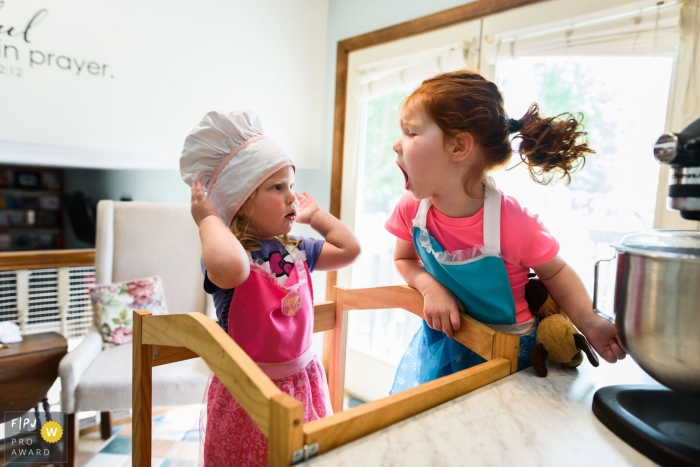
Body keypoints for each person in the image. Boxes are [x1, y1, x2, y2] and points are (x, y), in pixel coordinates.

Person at [386, 71, 626, 393]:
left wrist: (590, 321)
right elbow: (404, 258)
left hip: (509, 355)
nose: (396, 144)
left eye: (411, 132)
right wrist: (430, 288)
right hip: (447, 344)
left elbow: (555, 272)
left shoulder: (513, 224)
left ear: (459, 146)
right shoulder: (411, 211)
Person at [180, 110, 361, 466]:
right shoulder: (229, 256)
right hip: (248, 391)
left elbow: (349, 250)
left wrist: (317, 217)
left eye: (291, 185)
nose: (291, 197)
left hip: (302, 381)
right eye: (277, 187)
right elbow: (232, 269)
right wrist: (209, 219)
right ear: (241, 204)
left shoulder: (298, 248)